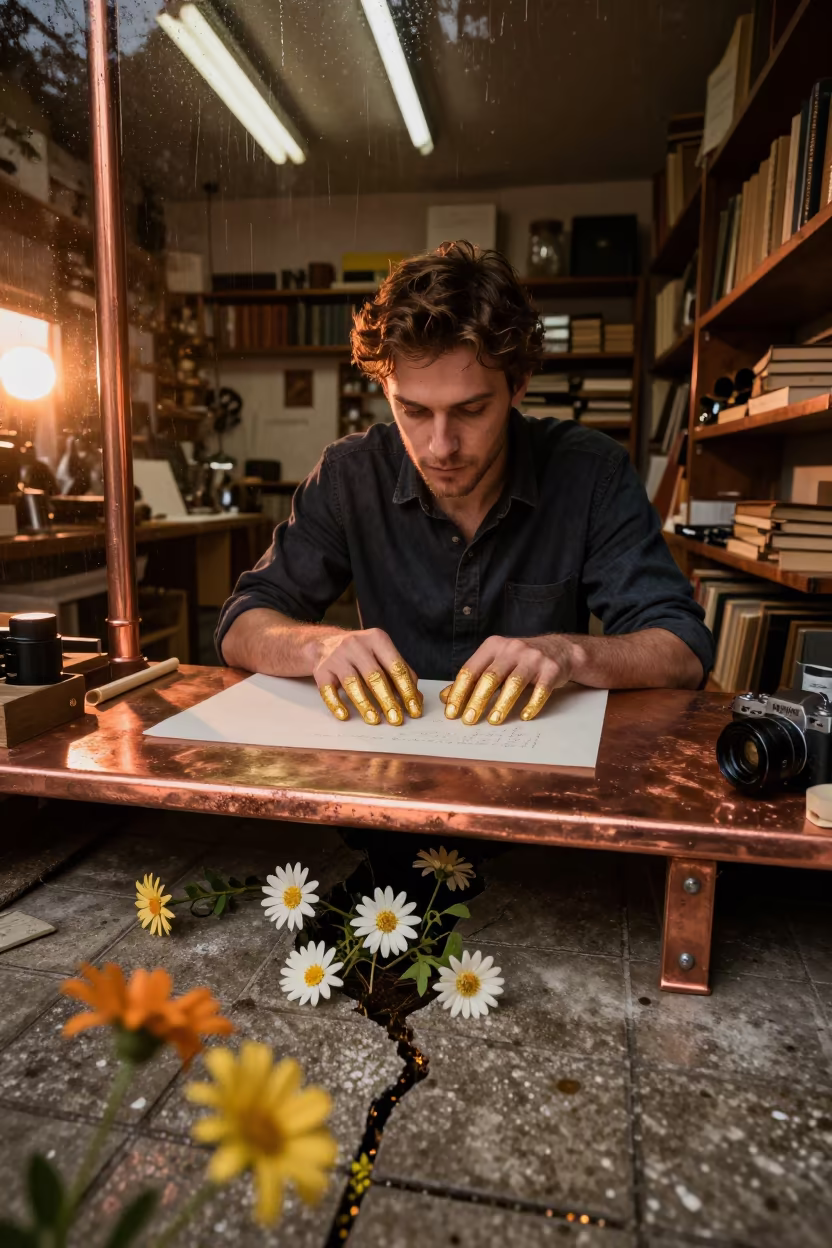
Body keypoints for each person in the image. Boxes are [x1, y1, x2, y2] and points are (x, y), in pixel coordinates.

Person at [217, 241, 713, 727]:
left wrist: (568, 653)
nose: (440, 446)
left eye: (471, 410)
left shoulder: (591, 472)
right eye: (412, 410)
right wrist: (318, 645)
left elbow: (683, 649)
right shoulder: (350, 473)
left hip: (531, 764)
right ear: (387, 390)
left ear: (518, 385)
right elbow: (242, 623)